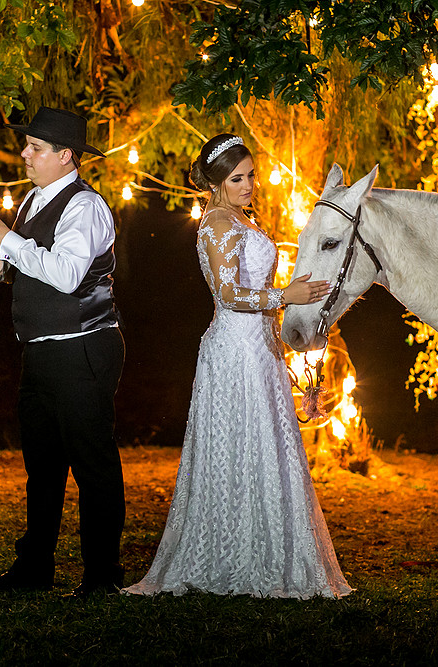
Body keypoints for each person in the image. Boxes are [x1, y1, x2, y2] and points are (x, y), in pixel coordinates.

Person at [123, 134, 353, 599]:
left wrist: (282, 343)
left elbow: (251, 292)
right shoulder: (218, 226)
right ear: (216, 182)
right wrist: (284, 296)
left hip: (258, 347)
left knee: (265, 448)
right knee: (236, 448)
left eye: (250, 175)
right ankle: (227, 557)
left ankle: (269, 553)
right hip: (232, 350)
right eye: (237, 178)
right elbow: (228, 296)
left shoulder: (239, 218)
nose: (248, 184)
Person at [0, 107, 125, 597]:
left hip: (82, 349)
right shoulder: (33, 198)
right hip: (41, 352)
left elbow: (69, 275)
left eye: (35, 148)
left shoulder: (85, 207)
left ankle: (101, 578)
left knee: (92, 466)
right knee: (43, 468)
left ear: (65, 156)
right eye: (26, 145)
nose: (24, 155)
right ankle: (34, 572)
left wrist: (6, 240)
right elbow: (31, 262)